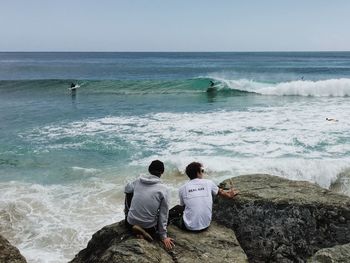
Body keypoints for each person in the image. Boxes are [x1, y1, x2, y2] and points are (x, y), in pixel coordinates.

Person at [124, 160, 175, 250]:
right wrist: (163, 236)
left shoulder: (138, 181)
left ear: (149, 170)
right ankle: (144, 232)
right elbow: (164, 214)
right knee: (170, 214)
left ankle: (133, 223)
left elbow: (127, 189)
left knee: (129, 192)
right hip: (150, 227)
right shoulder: (164, 189)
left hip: (129, 223)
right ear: (162, 172)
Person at [175, 162, 238, 232]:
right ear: (198, 173)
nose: (203, 173)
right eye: (202, 171)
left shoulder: (182, 189)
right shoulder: (209, 183)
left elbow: (183, 206)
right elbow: (225, 195)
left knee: (175, 212)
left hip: (189, 226)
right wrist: (230, 193)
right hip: (206, 224)